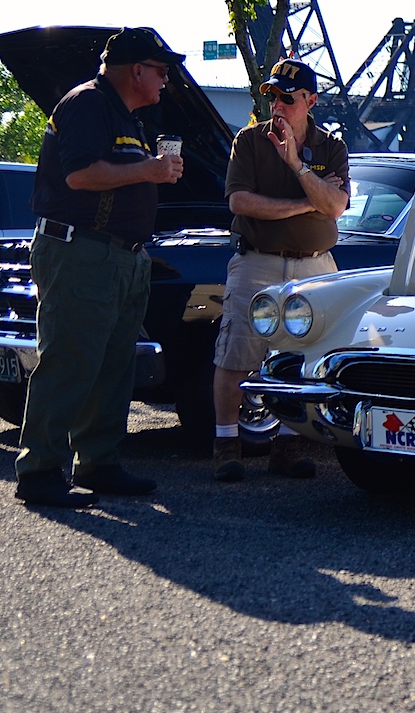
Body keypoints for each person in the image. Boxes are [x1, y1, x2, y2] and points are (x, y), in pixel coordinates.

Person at [13, 27, 186, 508]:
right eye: (161, 70)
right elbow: (80, 174)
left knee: (113, 366)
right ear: (137, 70)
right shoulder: (87, 103)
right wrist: (150, 170)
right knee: (70, 360)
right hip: (80, 252)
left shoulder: (126, 115)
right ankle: (39, 471)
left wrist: (153, 173)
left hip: (122, 256)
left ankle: (98, 463)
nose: (166, 80)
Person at [212, 58, 350, 482]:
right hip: (258, 261)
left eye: (287, 99)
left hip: (315, 266)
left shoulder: (331, 147)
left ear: (311, 101)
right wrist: (307, 203)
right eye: (272, 96)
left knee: (303, 357)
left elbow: (336, 207)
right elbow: (240, 202)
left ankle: (288, 447)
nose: (277, 106)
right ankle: (226, 446)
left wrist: (296, 165)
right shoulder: (250, 141)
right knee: (238, 351)